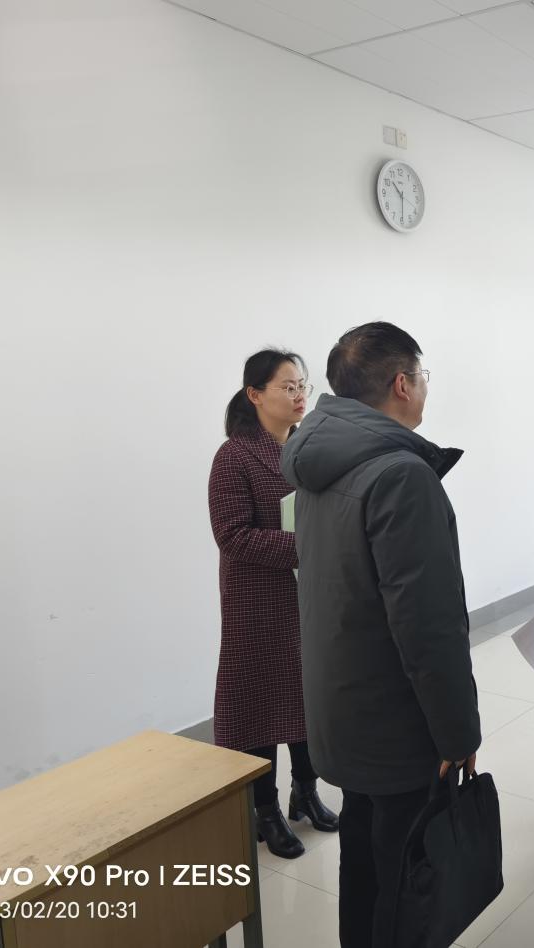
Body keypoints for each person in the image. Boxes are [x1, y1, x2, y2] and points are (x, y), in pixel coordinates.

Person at [281, 322, 481, 948]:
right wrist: (458, 731)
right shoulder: (400, 475)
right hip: (396, 722)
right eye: (423, 376)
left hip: (342, 708)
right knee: (404, 878)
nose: (424, 388)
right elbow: (428, 628)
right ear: (402, 383)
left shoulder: (320, 461)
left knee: (365, 862)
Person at [207, 349, 339, 861]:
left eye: (302, 384)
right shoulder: (234, 456)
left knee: (308, 697)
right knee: (259, 707)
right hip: (256, 601)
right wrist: (308, 546)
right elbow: (232, 535)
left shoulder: (308, 448)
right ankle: (265, 811)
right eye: (287, 386)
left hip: (307, 596)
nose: (299, 394)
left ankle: (305, 793)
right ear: (255, 394)